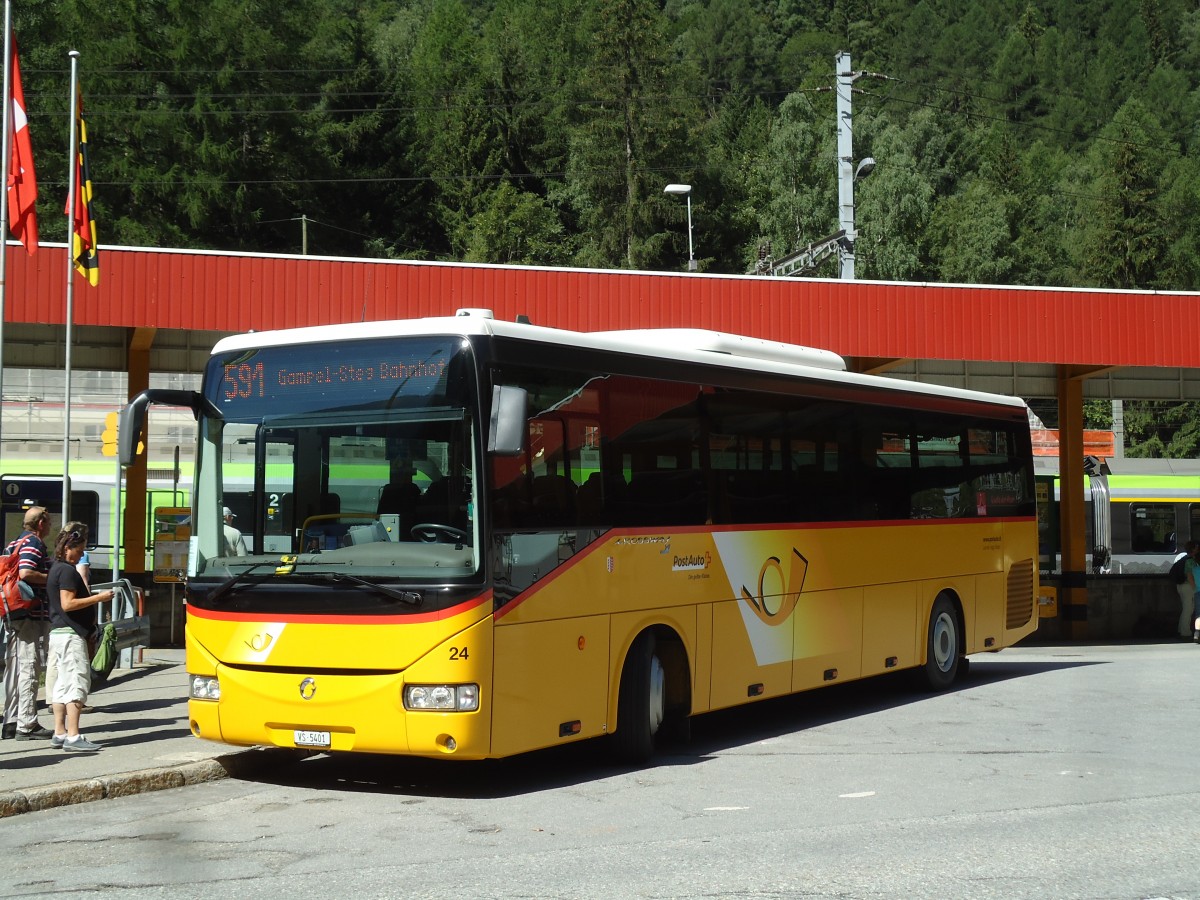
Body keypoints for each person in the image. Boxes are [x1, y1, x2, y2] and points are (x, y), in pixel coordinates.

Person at [46, 523, 115, 752]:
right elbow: (68, 603)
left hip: (58, 633)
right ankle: (74, 736)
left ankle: (59, 732)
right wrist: (99, 598)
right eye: (80, 549)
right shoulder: (66, 571)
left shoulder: (55, 568)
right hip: (70, 635)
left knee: (60, 685)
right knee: (76, 682)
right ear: (68, 547)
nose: (82, 554)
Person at [1, 506, 54, 741]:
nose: (51, 526)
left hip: (12, 612)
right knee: (29, 665)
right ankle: (27, 723)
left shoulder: (14, 543)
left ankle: (10, 721)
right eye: (49, 521)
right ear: (41, 523)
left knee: (13, 667)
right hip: (29, 613)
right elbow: (25, 573)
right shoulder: (34, 543)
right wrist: (52, 578)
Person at [1175, 541, 1196, 640]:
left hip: (1181, 585)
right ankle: (1185, 632)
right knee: (1188, 609)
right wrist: (1195, 588)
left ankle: (1181, 629)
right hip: (1187, 586)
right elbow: (1190, 576)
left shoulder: (1183, 558)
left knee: (1186, 608)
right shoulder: (1190, 560)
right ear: (1193, 549)